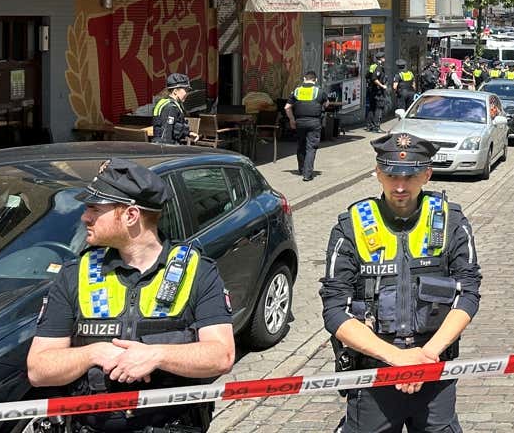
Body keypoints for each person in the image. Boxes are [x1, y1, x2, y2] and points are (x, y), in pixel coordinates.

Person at [27, 159, 235, 432]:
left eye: (95, 209)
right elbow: (38, 369)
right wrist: (93, 353)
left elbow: (221, 356)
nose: (84, 217)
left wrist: (156, 356)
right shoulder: (74, 275)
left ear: (130, 215)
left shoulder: (196, 271)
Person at [321, 132, 482, 433]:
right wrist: (398, 360)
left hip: (434, 367)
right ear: (378, 173)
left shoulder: (451, 221)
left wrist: (427, 355)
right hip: (374, 372)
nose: (399, 186)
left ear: (427, 175)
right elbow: (334, 310)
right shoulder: (350, 226)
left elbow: (468, 293)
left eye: (410, 177)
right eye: (392, 175)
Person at [286, 71, 328, 182]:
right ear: (316, 80)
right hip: (314, 122)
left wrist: (292, 120)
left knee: (301, 145)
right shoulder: (319, 91)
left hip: (299, 122)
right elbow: (326, 104)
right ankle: (307, 174)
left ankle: (301, 169)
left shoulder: (297, 91)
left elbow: (287, 107)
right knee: (311, 148)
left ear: (304, 78)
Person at [151, 72, 198, 145]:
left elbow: (175, 127)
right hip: (167, 148)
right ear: (175, 91)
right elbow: (166, 134)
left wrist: (188, 133)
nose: (187, 93)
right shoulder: (170, 107)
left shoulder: (166, 103)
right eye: (186, 90)